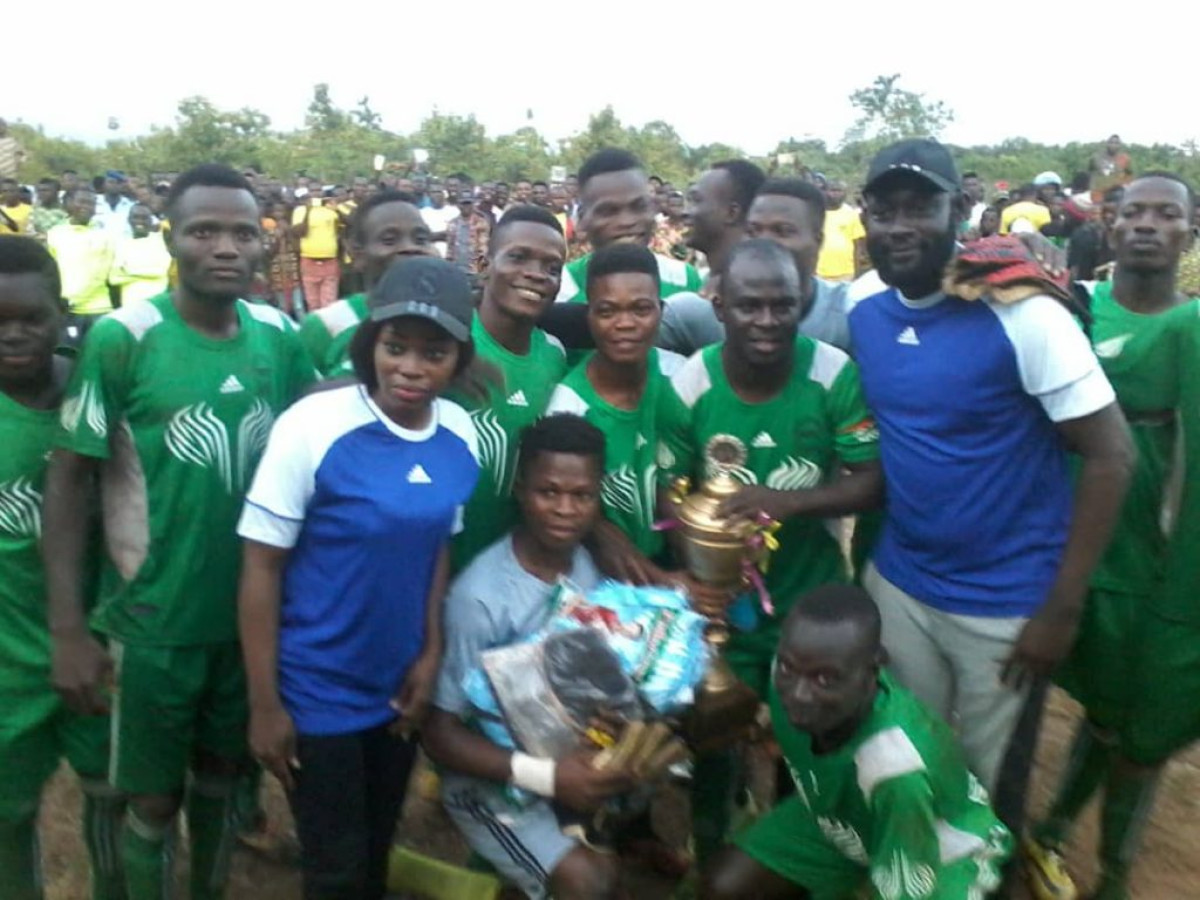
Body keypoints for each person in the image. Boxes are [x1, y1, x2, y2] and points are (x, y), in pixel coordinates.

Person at [43, 164, 315, 900]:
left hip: (248, 623)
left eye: (240, 232)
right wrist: (69, 627)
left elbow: (320, 424)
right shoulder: (123, 340)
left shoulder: (280, 338)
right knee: (154, 800)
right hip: (153, 623)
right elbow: (70, 481)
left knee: (223, 779)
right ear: (172, 239)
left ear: (263, 243)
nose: (224, 247)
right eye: (204, 231)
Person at [848, 138, 1133, 836]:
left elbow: (1111, 457)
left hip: (1005, 608)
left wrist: (1060, 610)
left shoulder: (1026, 316)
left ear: (961, 211)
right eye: (884, 210)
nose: (900, 226)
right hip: (904, 588)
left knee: (985, 795)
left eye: (921, 207)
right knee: (903, 759)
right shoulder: (862, 309)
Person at [238, 256, 480, 900]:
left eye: (433, 353)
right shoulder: (313, 428)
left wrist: (429, 654)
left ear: (458, 360)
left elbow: (437, 552)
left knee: (375, 846)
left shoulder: (459, 434)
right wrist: (265, 705)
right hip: (317, 686)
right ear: (370, 343)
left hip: (398, 688)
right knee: (334, 866)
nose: (410, 367)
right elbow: (261, 565)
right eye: (395, 347)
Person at [662, 239, 883, 861]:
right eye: (749, 305)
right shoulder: (693, 380)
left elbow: (871, 481)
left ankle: (796, 856)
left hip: (807, 604)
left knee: (808, 743)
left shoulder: (833, 373)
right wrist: (699, 576)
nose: (766, 321)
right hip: (720, 612)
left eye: (782, 305)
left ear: (802, 301)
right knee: (713, 737)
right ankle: (708, 851)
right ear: (720, 304)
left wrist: (787, 502)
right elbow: (671, 493)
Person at [1025, 174, 1199, 900]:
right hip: (1052, 550)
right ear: (1109, 224)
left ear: (1190, 232)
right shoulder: (1069, 309)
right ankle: (1043, 831)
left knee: (1140, 733)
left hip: (1140, 566)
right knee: (1083, 712)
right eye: (1135, 213)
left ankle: (1114, 874)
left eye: (1169, 214)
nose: (1149, 225)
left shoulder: (1189, 329)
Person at [424, 414, 634, 900]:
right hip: (486, 781)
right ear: (521, 490)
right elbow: (439, 734)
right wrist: (549, 777)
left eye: (581, 496)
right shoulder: (480, 599)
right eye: (549, 492)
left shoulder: (589, 565)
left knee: (606, 878)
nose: (565, 509)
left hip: (568, 764)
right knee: (587, 883)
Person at [700, 585, 1012, 900]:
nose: (798, 694)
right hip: (845, 824)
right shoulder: (785, 681)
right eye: (787, 667)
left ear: (873, 670)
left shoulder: (896, 772)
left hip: (939, 853)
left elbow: (907, 884)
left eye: (825, 679)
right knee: (724, 886)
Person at [0, 238, 126, 900]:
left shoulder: (98, 384)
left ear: (61, 312)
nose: (14, 335)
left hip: (100, 648)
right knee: (10, 815)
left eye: (31, 318)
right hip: (7, 664)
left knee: (113, 801)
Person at [546, 243, 685, 575]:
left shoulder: (679, 378)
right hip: (597, 574)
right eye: (607, 311)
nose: (625, 324)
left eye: (640, 309)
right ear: (589, 316)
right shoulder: (568, 407)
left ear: (661, 311)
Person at [448, 205, 569, 571]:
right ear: (484, 264)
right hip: (433, 568)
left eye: (552, 268)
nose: (536, 275)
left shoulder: (554, 355)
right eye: (518, 258)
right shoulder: (445, 343)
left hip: (507, 579)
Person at [659, 178, 856, 356]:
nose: (763, 243)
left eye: (782, 231)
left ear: (817, 241)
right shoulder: (700, 313)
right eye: (753, 231)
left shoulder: (850, 315)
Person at [298, 190, 435, 378]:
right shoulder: (326, 326)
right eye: (389, 240)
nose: (410, 248)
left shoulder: (449, 320)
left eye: (420, 239)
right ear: (357, 252)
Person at [554, 149, 702, 305]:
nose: (627, 221)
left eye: (639, 207)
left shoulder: (684, 280)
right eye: (608, 211)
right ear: (582, 219)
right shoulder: (561, 291)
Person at [684, 160, 767, 291]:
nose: (685, 212)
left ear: (731, 213)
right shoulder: (708, 284)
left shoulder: (758, 288)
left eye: (696, 200)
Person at [46, 186, 115, 332]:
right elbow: (49, 272)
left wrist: (75, 299)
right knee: (65, 353)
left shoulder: (105, 236)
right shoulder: (55, 234)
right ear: (70, 203)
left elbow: (102, 273)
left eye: (91, 203)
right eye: (82, 202)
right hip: (64, 308)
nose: (86, 207)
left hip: (98, 308)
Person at [109, 204, 171, 306]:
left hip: (156, 304)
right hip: (129, 306)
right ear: (129, 220)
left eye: (144, 218)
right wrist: (146, 269)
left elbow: (160, 270)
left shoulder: (161, 240)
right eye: (136, 217)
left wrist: (127, 271)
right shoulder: (121, 243)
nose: (140, 221)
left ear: (151, 220)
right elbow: (113, 278)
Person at [292, 188, 341, 311]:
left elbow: (343, 227)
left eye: (318, 190)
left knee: (329, 304)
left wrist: (337, 209)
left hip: (330, 260)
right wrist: (308, 210)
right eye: (313, 191)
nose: (316, 193)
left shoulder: (330, 210)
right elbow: (299, 232)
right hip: (309, 260)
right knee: (312, 303)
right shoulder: (300, 210)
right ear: (309, 193)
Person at [815, 178, 866, 282]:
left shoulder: (851, 214)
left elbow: (858, 246)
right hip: (819, 273)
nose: (835, 194)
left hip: (846, 273)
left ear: (845, 194)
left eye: (839, 191)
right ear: (825, 192)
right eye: (832, 190)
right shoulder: (816, 214)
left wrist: (857, 274)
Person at [445, 182, 491, 277]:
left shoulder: (481, 222)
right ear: (458, 205)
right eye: (463, 203)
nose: (466, 206)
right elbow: (450, 249)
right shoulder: (452, 223)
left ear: (473, 204)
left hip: (473, 270)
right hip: (455, 269)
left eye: (468, 203)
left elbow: (482, 249)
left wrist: (480, 272)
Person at [1089, 134, 1134, 202]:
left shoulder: (1125, 158)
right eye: (1111, 142)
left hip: (1117, 192)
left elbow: (1129, 175)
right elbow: (1090, 172)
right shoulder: (1096, 157)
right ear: (1107, 144)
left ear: (1120, 145)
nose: (1113, 145)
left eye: (1116, 143)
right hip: (1098, 193)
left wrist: (1125, 184)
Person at [93, 171, 136, 238]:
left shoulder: (132, 206)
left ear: (123, 186)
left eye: (118, 183)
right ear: (104, 184)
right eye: (111, 182)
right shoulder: (93, 202)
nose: (114, 185)